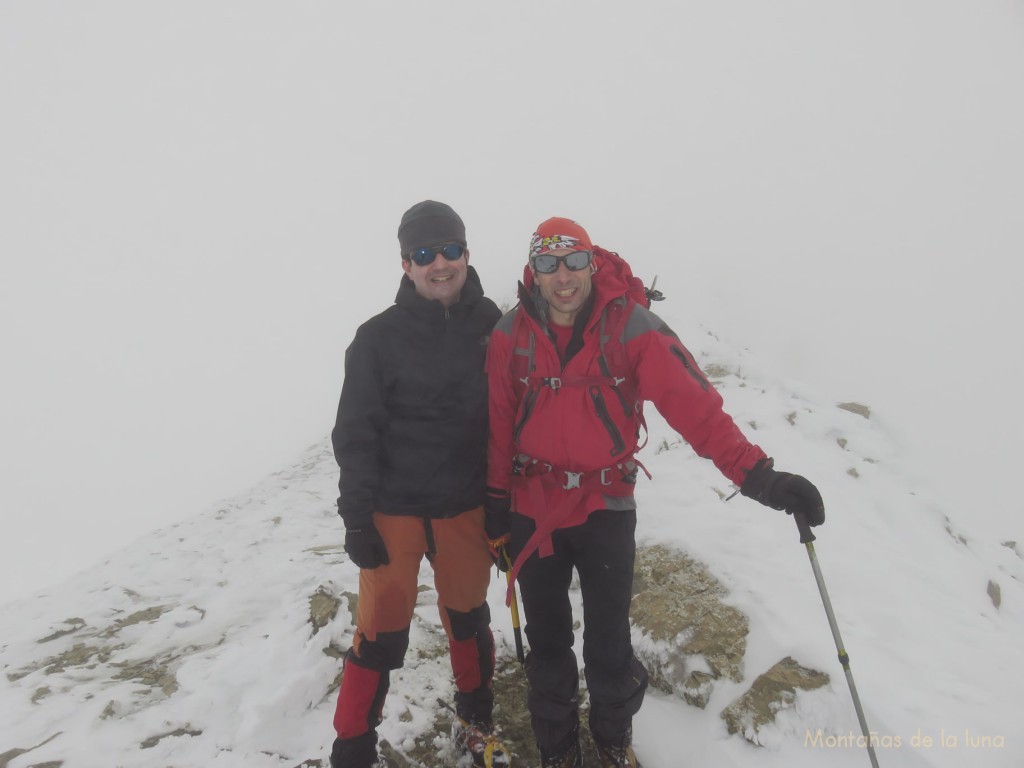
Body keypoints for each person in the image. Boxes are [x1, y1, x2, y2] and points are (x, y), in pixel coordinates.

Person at [484, 217, 826, 768]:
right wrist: (496, 510)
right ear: (533, 272)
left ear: (592, 264)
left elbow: (697, 409)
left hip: (604, 508)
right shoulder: (509, 336)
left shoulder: (633, 328)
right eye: (548, 264)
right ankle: (559, 752)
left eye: (574, 261)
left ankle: (613, 743)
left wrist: (759, 477)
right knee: (548, 648)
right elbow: (499, 428)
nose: (563, 276)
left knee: (609, 647)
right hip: (532, 508)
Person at [329, 201, 505, 768]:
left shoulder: (492, 325)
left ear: (466, 254)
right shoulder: (376, 338)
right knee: (380, 637)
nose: (440, 264)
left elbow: (509, 416)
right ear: (406, 263)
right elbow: (355, 433)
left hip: (465, 508)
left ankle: (475, 725)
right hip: (393, 513)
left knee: (468, 619)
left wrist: (508, 504)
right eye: (425, 254)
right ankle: (352, 749)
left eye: (450, 250)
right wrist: (357, 518)